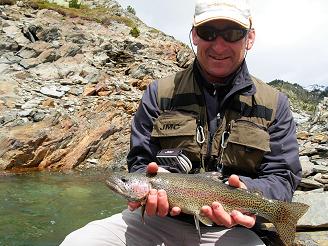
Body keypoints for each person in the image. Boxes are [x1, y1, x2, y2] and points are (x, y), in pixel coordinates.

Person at [60, 0, 302, 245]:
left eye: (232, 34)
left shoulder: (275, 104)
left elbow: (282, 178)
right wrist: (146, 175)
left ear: (249, 38)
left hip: (232, 229)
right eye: (209, 33)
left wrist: (246, 194)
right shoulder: (159, 93)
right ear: (195, 35)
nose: (219, 45)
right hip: (153, 222)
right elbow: (140, 161)